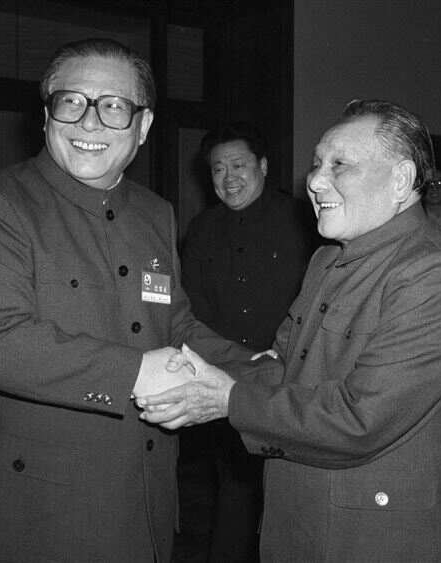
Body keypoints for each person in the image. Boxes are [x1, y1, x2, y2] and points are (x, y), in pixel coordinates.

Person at [0, 38, 251, 563]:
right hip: (35, 509)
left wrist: (254, 367)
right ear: (46, 116)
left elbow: (175, 323)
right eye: (72, 102)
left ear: (143, 127)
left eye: (113, 106)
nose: (89, 122)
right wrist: (138, 373)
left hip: (145, 498)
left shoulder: (155, 213)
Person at [137, 99, 441, 562]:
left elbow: (360, 420)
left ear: (401, 180)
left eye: (340, 165)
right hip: (303, 520)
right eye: (318, 163)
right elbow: (284, 368)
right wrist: (203, 375)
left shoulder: (435, 273)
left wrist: (225, 399)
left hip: (382, 536)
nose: (316, 180)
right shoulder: (327, 259)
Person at [178, 122, 312, 562]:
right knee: (234, 489)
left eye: (238, 166)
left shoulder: (302, 222)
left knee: (285, 495)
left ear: (263, 166)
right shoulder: (201, 229)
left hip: (285, 382)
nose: (228, 178)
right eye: (218, 169)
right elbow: (190, 308)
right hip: (222, 380)